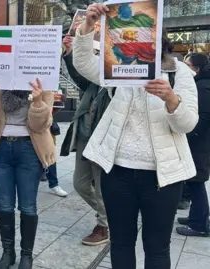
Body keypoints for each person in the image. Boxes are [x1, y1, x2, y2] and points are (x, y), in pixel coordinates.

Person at [74, 4, 198, 269]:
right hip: (117, 172)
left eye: (143, 32)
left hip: (161, 178)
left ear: (157, 34)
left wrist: (171, 99)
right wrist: (88, 26)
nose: (133, 37)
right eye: (127, 33)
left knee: (157, 249)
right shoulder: (118, 66)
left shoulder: (178, 72)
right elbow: (83, 63)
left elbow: (188, 124)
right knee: (120, 243)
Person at [0, 79, 55, 269]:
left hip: (30, 148)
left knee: (28, 205)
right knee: (4, 204)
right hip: (1, 147)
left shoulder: (42, 79)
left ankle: (26, 255)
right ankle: (8, 252)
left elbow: (42, 125)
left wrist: (37, 102)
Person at [60, 35, 111, 246]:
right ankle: (109, 215)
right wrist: (70, 52)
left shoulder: (115, 82)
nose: (94, 58)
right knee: (80, 183)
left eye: (97, 54)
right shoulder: (91, 81)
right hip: (83, 136)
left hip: (102, 140)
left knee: (100, 187)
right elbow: (77, 74)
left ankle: (104, 224)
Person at [176, 53, 210, 237]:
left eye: (186, 64)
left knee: (197, 183)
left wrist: (190, 134)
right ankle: (196, 217)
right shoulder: (201, 83)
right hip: (199, 142)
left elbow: (204, 117)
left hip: (199, 144)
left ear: (196, 68)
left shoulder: (204, 87)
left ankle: (199, 225)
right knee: (193, 181)